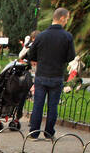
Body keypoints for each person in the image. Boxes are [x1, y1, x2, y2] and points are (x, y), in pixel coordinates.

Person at [21, 9, 75, 141]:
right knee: (53, 106)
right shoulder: (67, 36)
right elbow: (71, 56)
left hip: (42, 74)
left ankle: (34, 132)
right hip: (56, 75)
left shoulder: (41, 36)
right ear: (62, 18)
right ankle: (49, 133)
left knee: (38, 104)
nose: (67, 21)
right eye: (67, 18)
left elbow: (31, 54)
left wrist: (40, 59)